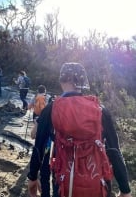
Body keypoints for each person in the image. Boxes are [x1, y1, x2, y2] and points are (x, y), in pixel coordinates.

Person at [27, 62, 132, 197]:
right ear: (83, 82)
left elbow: (39, 148)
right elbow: (114, 151)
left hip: (63, 184)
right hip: (96, 183)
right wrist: (125, 189)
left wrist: (33, 177)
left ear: (61, 81)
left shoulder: (51, 109)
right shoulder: (100, 110)